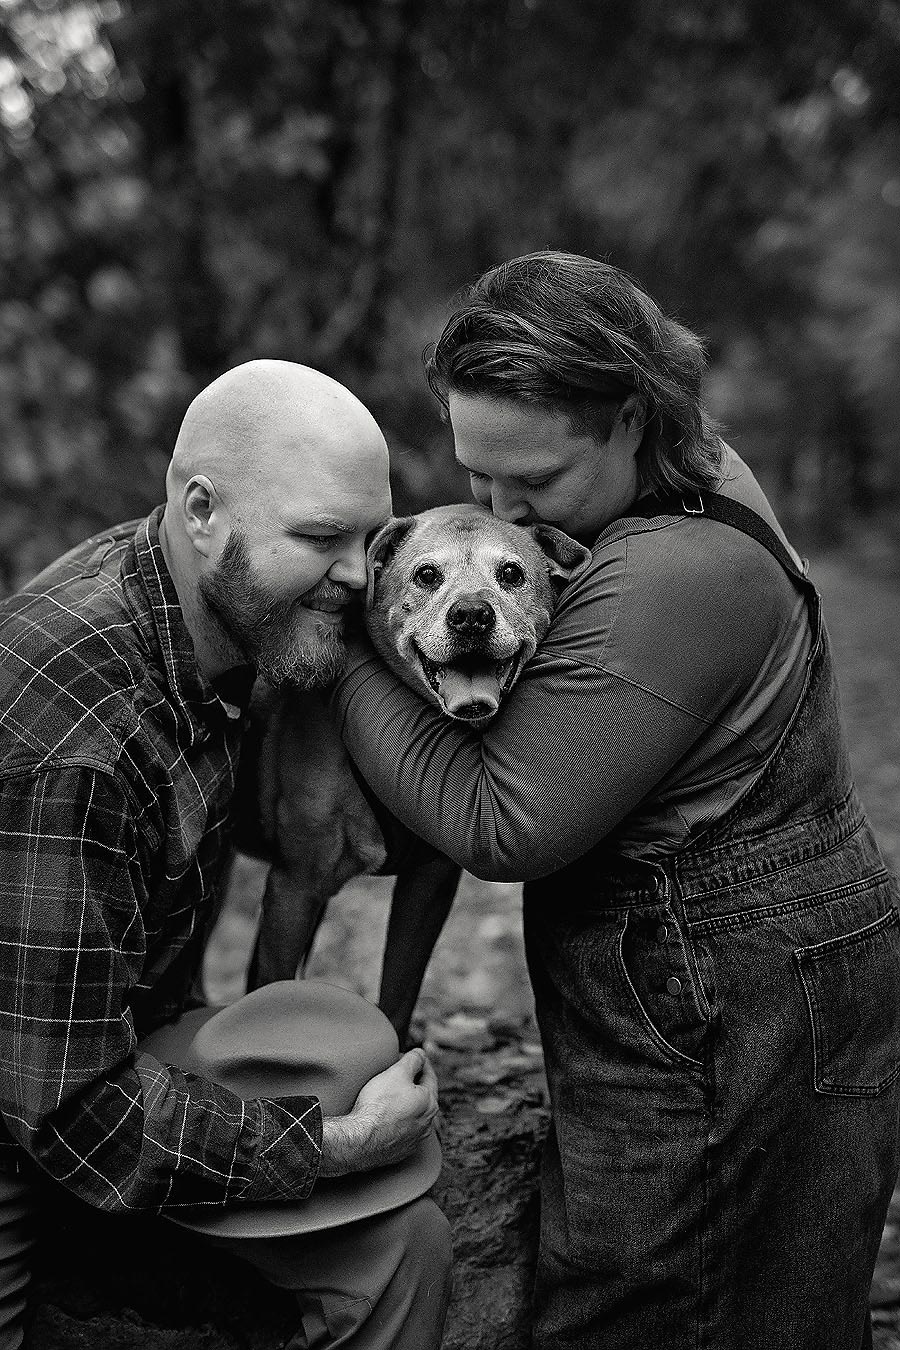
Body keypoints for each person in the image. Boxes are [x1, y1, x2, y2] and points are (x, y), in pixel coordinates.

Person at [331, 252, 900, 1349]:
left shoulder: (674, 571)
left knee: (643, 1310)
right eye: (476, 473)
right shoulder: (687, 471)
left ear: (632, 417)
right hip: (764, 967)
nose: (500, 507)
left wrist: (349, 648)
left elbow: (500, 824)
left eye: (533, 480)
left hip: (727, 1001)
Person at [0, 360, 451, 1350]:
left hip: (112, 1049)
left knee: (403, 1246)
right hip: (33, 1109)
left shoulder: (213, 611)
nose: (358, 575)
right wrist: (334, 1144)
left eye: (370, 538)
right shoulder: (82, 740)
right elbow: (69, 1112)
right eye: (322, 538)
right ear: (203, 512)